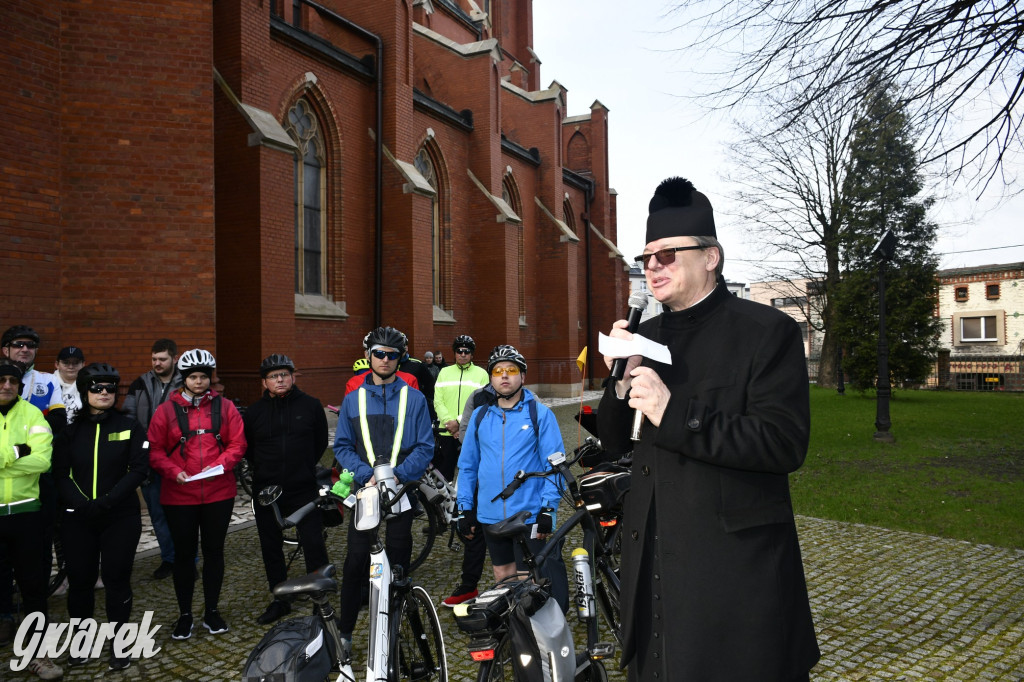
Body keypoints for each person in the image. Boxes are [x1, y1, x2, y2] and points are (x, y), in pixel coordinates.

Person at [597, 176, 820, 681]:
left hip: (733, 583)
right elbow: (614, 443)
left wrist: (673, 411)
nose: (652, 266)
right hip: (653, 565)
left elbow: (782, 444)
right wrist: (617, 381)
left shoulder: (768, 333)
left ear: (710, 257)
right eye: (646, 257)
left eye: (668, 255)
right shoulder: (646, 335)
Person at [332, 326, 433, 662]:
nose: (385, 360)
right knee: (355, 562)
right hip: (366, 491)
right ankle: (345, 634)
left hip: (402, 491)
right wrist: (367, 477)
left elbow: (425, 446)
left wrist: (398, 476)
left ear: (400, 358)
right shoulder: (353, 398)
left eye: (392, 355)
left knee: (398, 565)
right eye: (379, 353)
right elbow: (343, 446)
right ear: (368, 355)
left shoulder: (415, 398)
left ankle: (393, 628)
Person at [454, 344, 569, 612]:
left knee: (535, 580)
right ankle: (516, 633)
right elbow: (468, 466)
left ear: (522, 377)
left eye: (511, 370)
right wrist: (464, 509)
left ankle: (546, 634)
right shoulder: (481, 416)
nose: (504, 376)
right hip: (491, 515)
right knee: (503, 578)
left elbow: (554, 466)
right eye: (498, 371)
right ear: (491, 379)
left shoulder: (540, 414)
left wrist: (548, 509)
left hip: (528, 515)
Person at [51, 363, 148, 671]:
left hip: (119, 516)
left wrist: (107, 501)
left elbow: (139, 469)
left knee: (117, 579)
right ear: (85, 391)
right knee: (80, 582)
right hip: (78, 517)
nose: (104, 393)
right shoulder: (69, 431)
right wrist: (82, 503)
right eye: (97, 388)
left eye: (110, 388)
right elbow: (60, 474)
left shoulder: (129, 426)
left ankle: (120, 644)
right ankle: (81, 642)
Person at [147, 349, 246, 640]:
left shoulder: (225, 407)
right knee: (184, 556)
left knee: (214, 552)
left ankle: (212, 610)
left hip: (218, 493)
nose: (199, 382)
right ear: (184, 379)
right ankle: (185, 614)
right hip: (179, 495)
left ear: (210, 378)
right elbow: (154, 450)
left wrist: (220, 466)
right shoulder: (166, 410)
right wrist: (171, 471)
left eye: (204, 376)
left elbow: (237, 444)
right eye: (193, 377)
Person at [244, 354, 330, 625]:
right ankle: (280, 599)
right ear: (264, 382)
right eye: (273, 376)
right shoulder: (254, 412)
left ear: (293, 377)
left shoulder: (311, 406)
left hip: (303, 487)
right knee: (271, 546)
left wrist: (302, 468)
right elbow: (248, 449)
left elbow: (320, 443)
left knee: (314, 543)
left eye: (284, 374)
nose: (279, 379)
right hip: (267, 490)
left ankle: (321, 599)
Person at [0, 358, 63, 680]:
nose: (7, 385)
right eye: (2, 380)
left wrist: (4, 456)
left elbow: (42, 461)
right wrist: (17, 451)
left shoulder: (33, 414)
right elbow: (29, 455)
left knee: (33, 586)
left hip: (26, 511)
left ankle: (37, 652)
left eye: (13, 380)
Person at [122, 338, 182, 579]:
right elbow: (128, 417)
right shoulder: (140, 383)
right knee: (157, 513)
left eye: (162, 359)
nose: (157, 363)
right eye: (154, 359)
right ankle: (169, 558)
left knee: (182, 514)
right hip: (149, 460)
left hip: (178, 460)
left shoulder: (186, 382)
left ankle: (188, 559)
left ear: (174, 359)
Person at [432, 335, 488, 481]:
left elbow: (482, 403)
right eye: (459, 351)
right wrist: (449, 423)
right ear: (455, 353)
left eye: (466, 351)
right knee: (444, 474)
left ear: (472, 354)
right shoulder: (444, 372)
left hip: (470, 431)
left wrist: (459, 422)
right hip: (446, 432)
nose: (463, 354)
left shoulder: (482, 374)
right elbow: (438, 401)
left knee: (470, 471)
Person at [2, 326, 66, 432]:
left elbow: (59, 421)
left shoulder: (49, 380)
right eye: (18, 345)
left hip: (38, 445)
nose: (25, 349)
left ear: (36, 350)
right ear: (6, 351)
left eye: (30, 345)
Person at [53, 346, 85, 424]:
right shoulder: (48, 384)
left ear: (83, 364)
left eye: (76, 363)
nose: (71, 366)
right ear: (57, 364)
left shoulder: (88, 386)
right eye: (66, 362)